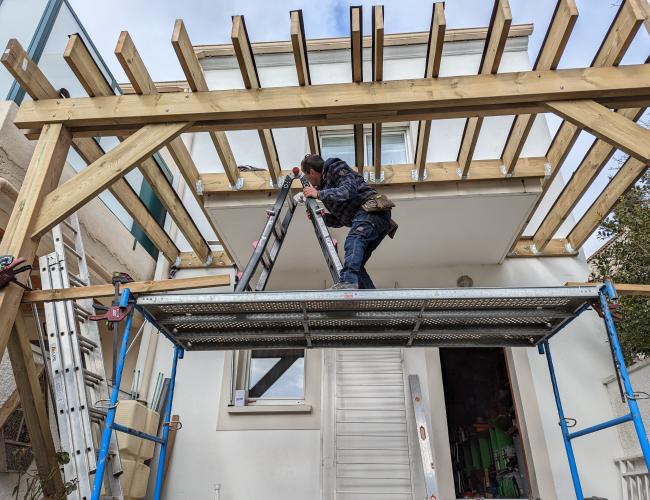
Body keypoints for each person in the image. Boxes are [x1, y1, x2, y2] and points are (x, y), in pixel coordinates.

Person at [300, 154, 397, 290]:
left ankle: (347, 283)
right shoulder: (325, 189)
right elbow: (342, 220)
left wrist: (319, 194)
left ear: (311, 171)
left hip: (373, 211)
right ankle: (371, 299)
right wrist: (322, 218)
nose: (308, 181)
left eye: (307, 176)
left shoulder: (335, 167)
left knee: (354, 239)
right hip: (369, 217)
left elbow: (348, 190)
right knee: (357, 265)